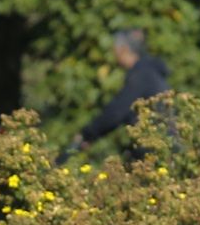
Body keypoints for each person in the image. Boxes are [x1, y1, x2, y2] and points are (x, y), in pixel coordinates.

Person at [61, 28, 170, 162]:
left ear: (123, 49)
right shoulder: (150, 72)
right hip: (163, 146)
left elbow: (116, 112)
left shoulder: (141, 75)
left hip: (156, 151)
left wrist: (87, 134)